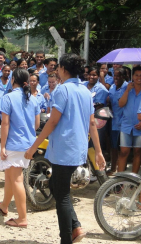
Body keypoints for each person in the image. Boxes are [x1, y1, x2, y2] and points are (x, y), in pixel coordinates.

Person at [25, 53, 105, 244]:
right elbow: (92, 123)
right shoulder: (86, 91)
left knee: (61, 195)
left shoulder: (62, 90)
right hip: (77, 147)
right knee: (56, 186)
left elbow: (52, 121)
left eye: (58, 67)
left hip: (64, 148)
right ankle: (75, 227)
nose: (57, 70)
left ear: (64, 69)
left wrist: (33, 147)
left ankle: (66, 238)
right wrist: (99, 152)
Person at [0, 69, 41, 227]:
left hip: (14, 143)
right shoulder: (33, 99)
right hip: (28, 143)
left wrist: (2, 146)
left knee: (16, 179)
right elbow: (36, 125)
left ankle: (22, 218)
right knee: (10, 176)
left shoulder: (8, 98)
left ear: (13, 79)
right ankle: (4, 206)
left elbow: (5, 124)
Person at [118, 66, 141, 174]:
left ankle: (134, 179)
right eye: (136, 75)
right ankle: (119, 179)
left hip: (140, 126)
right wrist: (127, 90)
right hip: (126, 125)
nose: (139, 77)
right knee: (123, 152)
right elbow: (120, 104)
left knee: (137, 152)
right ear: (132, 76)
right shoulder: (126, 88)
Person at [107, 68, 128, 175]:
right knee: (113, 146)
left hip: (124, 122)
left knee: (123, 148)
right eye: (115, 76)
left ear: (124, 77)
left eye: (119, 76)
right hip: (114, 121)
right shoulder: (112, 87)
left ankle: (121, 170)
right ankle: (113, 168)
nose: (116, 78)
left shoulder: (128, 87)